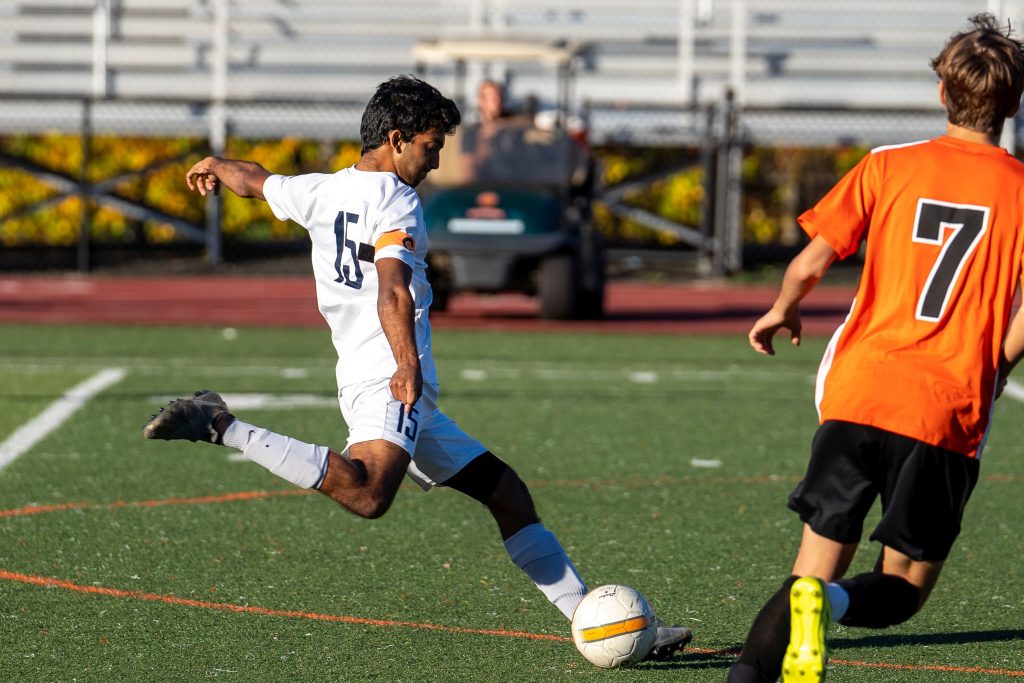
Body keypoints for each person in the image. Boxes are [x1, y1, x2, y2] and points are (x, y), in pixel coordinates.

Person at [142, 75, 690, 661]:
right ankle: (218, 423)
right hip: (388, 379)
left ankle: (596, 623)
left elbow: (255, 179)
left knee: (507, 493)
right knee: (368, 493)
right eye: (431, 146)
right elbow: (393, 290)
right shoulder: (396, 200)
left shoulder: (321, 189)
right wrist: (407, 365)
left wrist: (215, 165)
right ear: (397, 139)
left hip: (387, 386)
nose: (435, 161)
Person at [728, 14, 1024, 683]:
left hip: (858, 387)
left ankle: (752, 669)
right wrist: (996, 366)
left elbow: (810, 263)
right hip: (943, 405)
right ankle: (830, 605)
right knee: (904, 588)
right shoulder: (1021, 189)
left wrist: (782, 308)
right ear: (1013, 105)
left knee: (810, 567)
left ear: (943, 92)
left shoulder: (887, 164)